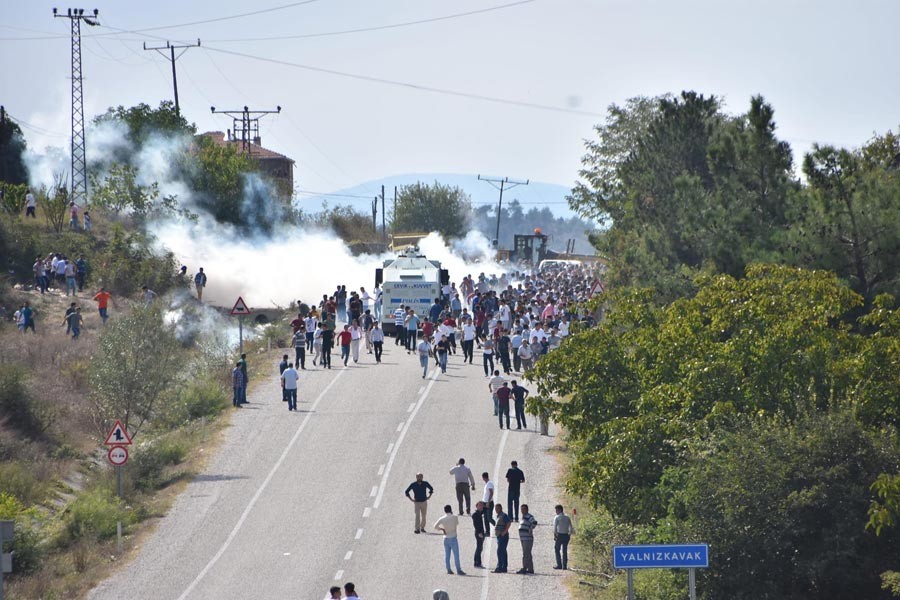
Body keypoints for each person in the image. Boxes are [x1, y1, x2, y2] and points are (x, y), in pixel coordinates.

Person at [434, 505, 465, 575]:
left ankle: (448, 569)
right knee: (456, 555)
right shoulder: (455, 517)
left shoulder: (442, 518)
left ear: (444, 510)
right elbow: (457, 524)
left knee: (447, 555)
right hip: (453, 537)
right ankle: (458, 570)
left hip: (446, 538)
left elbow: (435, 526)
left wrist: (442, 529)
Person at [516, 504, 538, 574]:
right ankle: (530, 569)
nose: (522, 510)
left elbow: (534, 522)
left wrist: (531, 528)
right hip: (523, 538)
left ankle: (524, 568)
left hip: (527, 539)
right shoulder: (523, 517)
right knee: (528, 554)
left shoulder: (529, 516)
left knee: (526, 554)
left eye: (524, 509)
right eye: (521, 509)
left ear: (527, 509)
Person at [553, 504, 574, 570]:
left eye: (556, 510)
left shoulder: (557, 517)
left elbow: (555, 527)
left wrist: (555, 535)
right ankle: (564, 566)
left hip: (559, 535)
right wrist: (569, 534)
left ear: (559, 510)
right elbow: (571, 527)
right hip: (566, 535)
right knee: (564, 550)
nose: (556, 511)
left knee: (557, 549)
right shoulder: (567, 517)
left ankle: (559, 564)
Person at [493, 503, 511, 573]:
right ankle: (504, 567)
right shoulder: (498, 516)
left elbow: (509, 522)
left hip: (503, 536)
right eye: (495, 509)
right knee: (503, 551)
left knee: (500, 551)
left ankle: (500, 567)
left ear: (501, 508)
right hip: (499, 536)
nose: (496, 510)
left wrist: (505, 531)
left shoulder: (503, 515)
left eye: (498, 508)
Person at [472, 501, 490, 568]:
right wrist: (479, 533)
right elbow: (475, 525)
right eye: (479, 505)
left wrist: (484, 505)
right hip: (478, 533)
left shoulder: (479, 513)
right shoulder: (475, 514)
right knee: (479, 548)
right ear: (476, 506)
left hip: (482, 532)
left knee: (480, 548)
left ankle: (477, 562)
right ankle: (477, 562)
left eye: (481, 506)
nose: (481, 507)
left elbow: (486, 509)